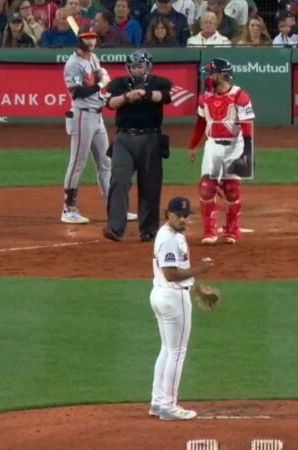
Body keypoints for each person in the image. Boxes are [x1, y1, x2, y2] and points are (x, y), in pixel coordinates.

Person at [148, 196, 214, 421]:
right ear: (168, 214)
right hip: (172, 298)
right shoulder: (168, 238)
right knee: (177, 352)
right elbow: (171, 274)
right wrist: (201, 270)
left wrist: (196, 288)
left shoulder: (174, 235)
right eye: (180, 215)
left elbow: (176, 273)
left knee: (167, 350)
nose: (184, 219)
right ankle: (168, 405)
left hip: (164, 294)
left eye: (187, 216)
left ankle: (158, 402)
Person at [103, 49, 173, 242]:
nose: (135, 70)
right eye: (132, 66)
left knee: (150, 185)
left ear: (148, 66)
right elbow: (110, 103)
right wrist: (127, 97)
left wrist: (146, 94)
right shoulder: (119, 84)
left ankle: (149, 229)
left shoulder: (159, 82)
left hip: (150, 138)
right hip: (124, 138)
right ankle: (115, 227)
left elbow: (165, 96)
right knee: (119, 180)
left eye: (139, 66)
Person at [187, 59, 255, 245]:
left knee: (232, 190)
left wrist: (247, 151)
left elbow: (247, 125)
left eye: (210, 74)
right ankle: (209, 231)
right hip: (213, 145)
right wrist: (193, 145)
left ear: (221, 75)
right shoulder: (205, 97)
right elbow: (201, 123)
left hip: (236, 145)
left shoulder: (240, 96)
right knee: (206, 188)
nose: (207, 78)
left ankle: (232, 230)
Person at [61, 27, 113, 224]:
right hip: (82, 116)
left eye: (93, 38)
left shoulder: (92, 58)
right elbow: (77, 93)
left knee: (106, 162)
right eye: (87, 39)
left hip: (98, 117)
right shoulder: (73, 64)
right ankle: (68, 209)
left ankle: (113, 207)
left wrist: (102, 80)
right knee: (77, 163)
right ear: (80, 41)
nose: (91, 42)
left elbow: (99, 76)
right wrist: (101, 84)